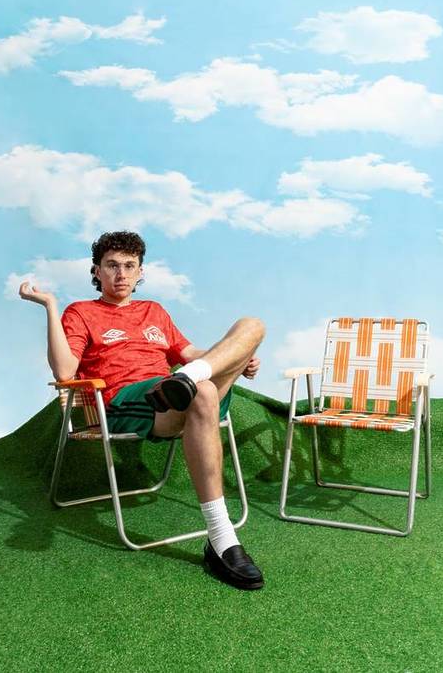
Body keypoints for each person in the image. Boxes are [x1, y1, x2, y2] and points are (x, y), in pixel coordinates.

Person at [19, 230, 266, 590]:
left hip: (180, 388)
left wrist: (238, 357)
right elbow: (65, 372)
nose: (121, 274)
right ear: (97, 271)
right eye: (112, 266)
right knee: (206, 392)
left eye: (129, 266)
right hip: (129, 401)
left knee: (251, 327)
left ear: (140, 272)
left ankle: (185, 382)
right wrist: (51, 306)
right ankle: (222, 536)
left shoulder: (155, 311)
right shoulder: (82, 313)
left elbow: (192, 354)